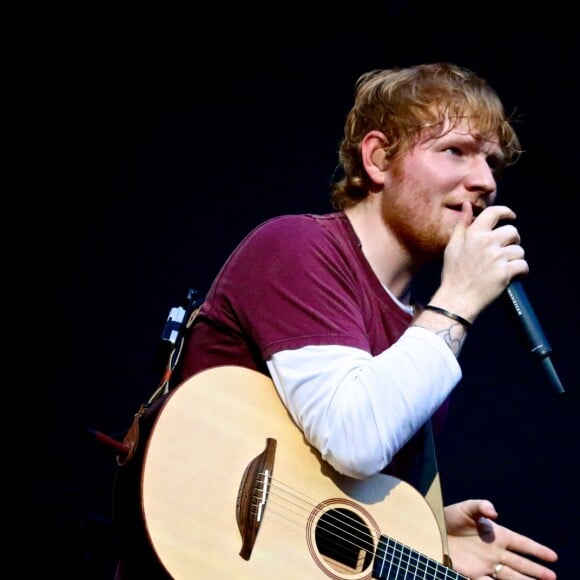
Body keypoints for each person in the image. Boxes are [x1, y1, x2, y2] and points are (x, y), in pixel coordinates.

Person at [113, 62, 559, 579]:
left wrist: (421, 537)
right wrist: (458, 299)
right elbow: (353, 438)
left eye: (492, 164)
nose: (484, 182)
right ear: (377, 159)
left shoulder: (422, 327)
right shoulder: (299, 249)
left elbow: (319, 489)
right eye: (455, 151)